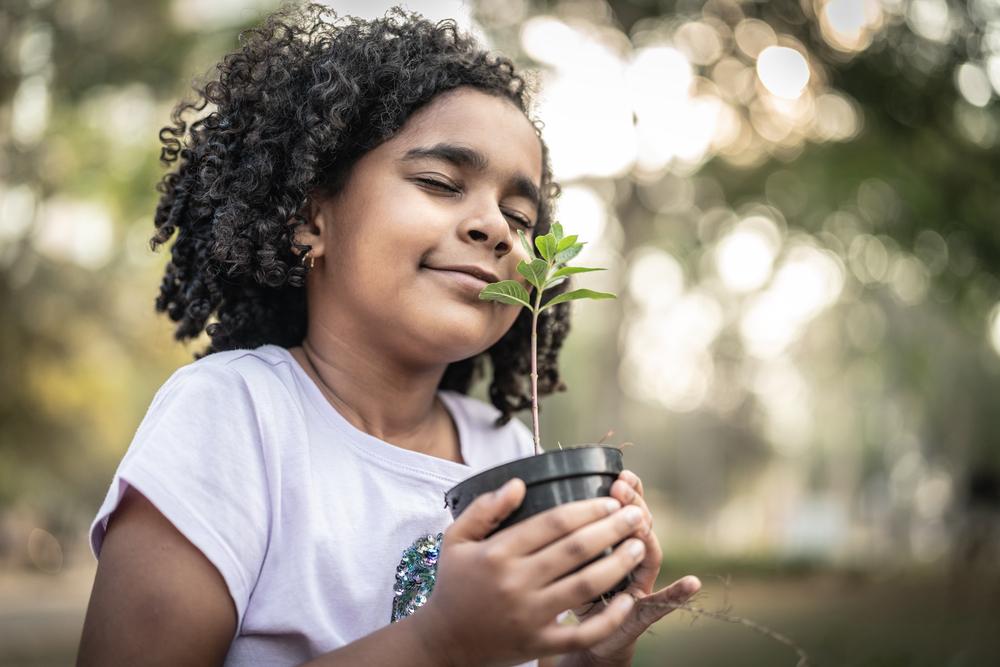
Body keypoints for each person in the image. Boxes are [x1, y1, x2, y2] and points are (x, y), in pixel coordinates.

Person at [76, 4, 700, 666]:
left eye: (519, 216)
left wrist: (591, 650)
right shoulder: (235, 420)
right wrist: (438, 641)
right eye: (440, 183)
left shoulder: (507, 452)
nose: (494, 226)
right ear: (311, 217)